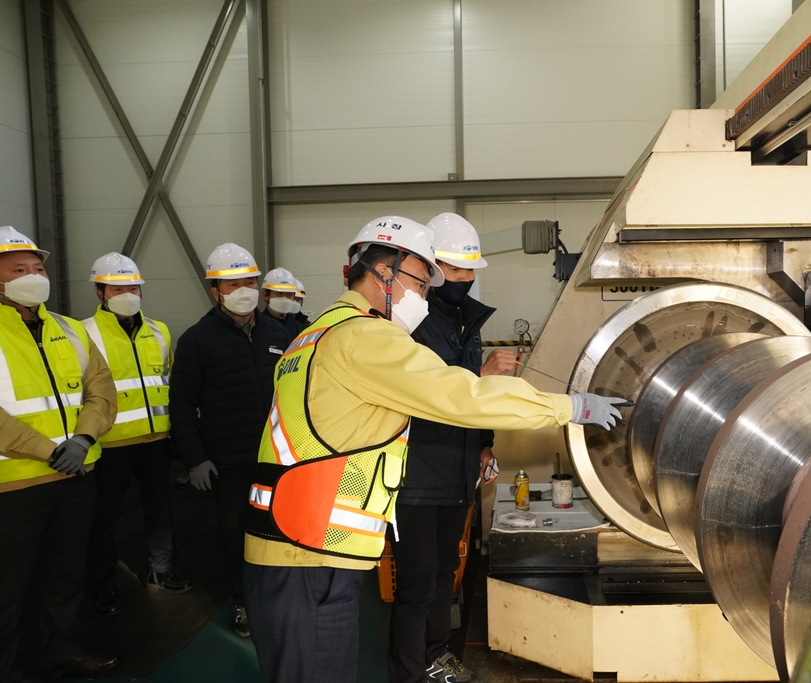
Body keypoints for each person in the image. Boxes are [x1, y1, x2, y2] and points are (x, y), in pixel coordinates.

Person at [242, 216, 626, 683]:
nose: (423, 298)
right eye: (421, 284)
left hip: (292, 542)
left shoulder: (313, 334)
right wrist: (570, 406)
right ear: (386, 273)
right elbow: (461, 395)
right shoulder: (365, 338)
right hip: (309, 552)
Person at [388, 213, 515, 683]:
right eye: (456, 269)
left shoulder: (465, 321)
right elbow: (415, 395)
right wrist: (481, 376)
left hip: (456, 470)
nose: (465, 278)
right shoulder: (410, 322)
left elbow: (472, 402)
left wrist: (484, 446)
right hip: (415, 476)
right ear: (429, 267)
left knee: (445, 575)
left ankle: (435, 656)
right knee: (417, 586)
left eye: (470, 271)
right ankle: (407, 673)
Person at [0, 226, 120, 680]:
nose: (34, 275)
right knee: (8, 587)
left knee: (66, 576)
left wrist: (84, 439)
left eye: (37, 267)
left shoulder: (68, 330)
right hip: (14, 485)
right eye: (19, 270)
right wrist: (49, 450)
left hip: (74, 477)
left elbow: (101, 390)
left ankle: (58, 649)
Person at [168, 243, 290, 637]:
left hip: (277, 457)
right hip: (229, 461)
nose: (244, 289)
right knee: (236, 534)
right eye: (233, 283)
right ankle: (243, 602)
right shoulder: (197, 340)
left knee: (278, 528)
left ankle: (277, 596)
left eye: (250, 281)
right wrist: (195, 457)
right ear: (214, 290)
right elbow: (182, 404)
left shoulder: (278, 333)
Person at [82, 253, 194, 618]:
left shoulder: (159, 331)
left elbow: (171, 383)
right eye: (118, 288)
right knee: (104, 518)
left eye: (133, 287)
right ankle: (103, 584)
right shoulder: (83, 333)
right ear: (101, 293)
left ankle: (163, 571)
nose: (128, 294)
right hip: (108, 444)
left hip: (156, 441)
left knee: (160, 512)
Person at [260, 267, 307, 342]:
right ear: (265, 295)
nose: (285, 299)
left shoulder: (300, 329)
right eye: (280, 293)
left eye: (289, 294)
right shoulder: (256, 327)